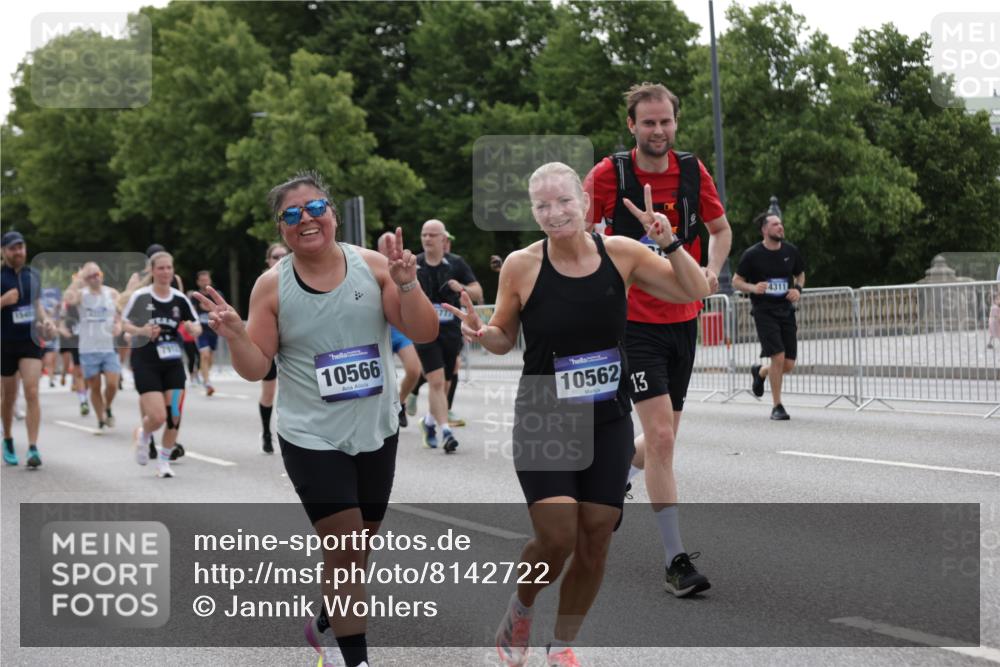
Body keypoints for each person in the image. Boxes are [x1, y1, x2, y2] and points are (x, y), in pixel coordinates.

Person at [446, 163, 710, 666]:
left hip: (608, 415)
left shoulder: (624, 254)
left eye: (564, 201)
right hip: (545, 413)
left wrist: (670, 242)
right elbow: (504, 337)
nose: (554, 212)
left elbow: (693, 290)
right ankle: (520, 611)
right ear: (533, 212)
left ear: (585, 203)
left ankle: (561, 645)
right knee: (558, 535)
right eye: (542, 205)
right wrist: (484, 334)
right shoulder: (522, 266)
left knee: (594, 539)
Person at [192, 171, 437, 667]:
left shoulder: (372, 266)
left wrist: (408, 283)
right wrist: (238, 335)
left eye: (314, 207)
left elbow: (424, 331)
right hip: (311, 439)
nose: (305, 219)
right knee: (346, 549)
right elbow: (257, 366)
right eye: (291, 214)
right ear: (280, 229)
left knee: (356, 552)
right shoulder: (271, 287)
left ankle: (330, 607)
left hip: (376, 430)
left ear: (331, 212)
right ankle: (357, 660)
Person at [583, 82, 732, 596]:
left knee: (660, 441)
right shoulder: (610, 174)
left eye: (665, 121)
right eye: (648, 122)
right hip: (633, 323)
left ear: (675, 121)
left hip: (683, 318)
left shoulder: (691, 171)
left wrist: (711, 271)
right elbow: (576, 238)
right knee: (664, 439)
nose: (658, 130)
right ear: (632, 125)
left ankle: (618, 461)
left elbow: (721, 229)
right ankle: (675, 562)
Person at [121, 251, 201, 477]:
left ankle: (164, 463)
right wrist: (142, 331)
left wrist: (194, 329)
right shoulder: (141, 297)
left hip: (173, 363)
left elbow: (195, 324)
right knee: (157, 417)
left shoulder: (179, 298)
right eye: (161, 268)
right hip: (146, 362)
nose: (166, 272)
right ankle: (144, 435)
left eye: (169, 268)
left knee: (174, 415)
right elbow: (124, 325)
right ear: (153, 271)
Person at [414, 219, 482, 451]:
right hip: (423, 331)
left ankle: (429, 422)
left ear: (444, 239)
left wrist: (460, 288)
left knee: (445, 381)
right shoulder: (415, 264)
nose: (427, 239)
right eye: (424, 234)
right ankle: (446, 432)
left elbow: (478, 292)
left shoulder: (455, 263)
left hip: (451, 331)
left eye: (433, 235)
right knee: (435, 380)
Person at [732, 211, 806, 420]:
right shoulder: (752, 255)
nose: (780, 227)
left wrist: (798, 289)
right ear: (764, 230)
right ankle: (777, 406)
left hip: (786, 311)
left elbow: (800, 273)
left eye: (781, 224)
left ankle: (762, 372)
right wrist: (753, 288)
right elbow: (737, 280)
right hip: (764, 312)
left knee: (788, 364)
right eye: (775, 225)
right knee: (778, 357)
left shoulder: (791, 251)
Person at [1, 231, 58, 468]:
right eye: (13, 248)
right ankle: (8, 439)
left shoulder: (33, 275)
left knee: (32, 391)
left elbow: (37, 306)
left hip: (29, 341)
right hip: (4, 342)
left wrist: (46, 321)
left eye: (21, 247)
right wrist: (4, 301)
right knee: (9, 397)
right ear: (4, 251)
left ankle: (33, 447)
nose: (18, 252)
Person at [64, 262, 122, 429]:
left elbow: (119, 313)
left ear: (101, 275)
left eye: (97, 274)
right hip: (88, 349)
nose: (95, 278)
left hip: (108, 347)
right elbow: (67, 298)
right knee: (95, 387)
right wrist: (78, 278)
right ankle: (100, 418)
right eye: (90, 276)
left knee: (112, 383)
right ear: (85, 279)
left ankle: (108, 406)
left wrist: (118, 324)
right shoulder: (81, 295)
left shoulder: (111, 293)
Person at [377, 232, 422, 429]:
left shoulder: (406, 266)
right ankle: (380, 412)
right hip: (378, 330)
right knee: (380, 380)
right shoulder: (371, 267)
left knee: (414, 369)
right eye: (388, 246)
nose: (392, 249)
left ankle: (399, 403)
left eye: (395, 245)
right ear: (379, 250)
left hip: (399, 330)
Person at [258, 241, 288, 453]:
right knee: (269, 394)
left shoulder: (301, 277)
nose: (279, 260)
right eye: (275, 257)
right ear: (268, 261)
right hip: (269, 345)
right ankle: (267, 432)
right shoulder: (263, 284)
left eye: (283, 256)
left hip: (293, 346)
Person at [191, 270, 221, 396]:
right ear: (198, 282)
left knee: (210, 359)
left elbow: (221, 309)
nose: (204, 282)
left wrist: (209, 308)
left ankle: (200, 372)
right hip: (201, 331)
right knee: (204, 355)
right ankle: (207, 382)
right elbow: (190, 312)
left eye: (206, 280)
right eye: (202, 280)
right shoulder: (195, 296)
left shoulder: (217, 294)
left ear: (210, 280)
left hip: (214, 330)